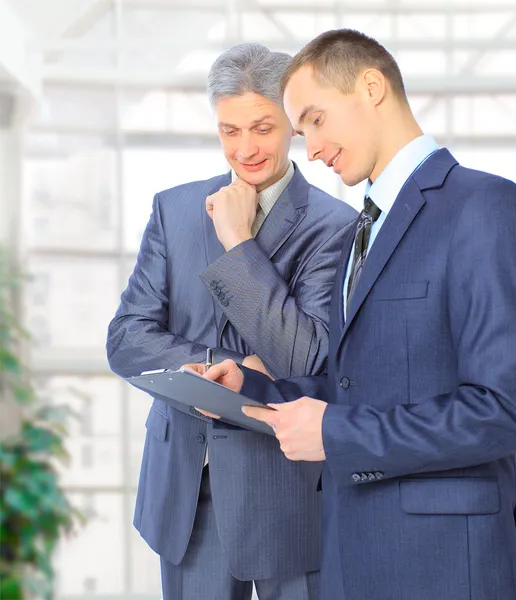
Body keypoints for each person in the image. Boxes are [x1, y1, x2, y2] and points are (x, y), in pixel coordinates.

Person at [198, 29, 516, 600]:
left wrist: (335, 432)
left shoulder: (486, 207)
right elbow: (357, 382)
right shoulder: (360, 229)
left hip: (443, 565)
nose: (308, 148)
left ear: (370, 87)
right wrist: (256, 388)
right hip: (349, 555)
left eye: (314, 120)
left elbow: (509, 410)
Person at [106, 42, 356, 600]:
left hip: (288, 489)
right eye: (229, 131)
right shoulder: (174, 210)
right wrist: (229, 365)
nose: (245, 149)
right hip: (185, 489)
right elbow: (126, 338)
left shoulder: (335, 227)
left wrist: (238, 241)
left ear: (292, 123)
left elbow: (302, 357)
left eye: (262, 128)